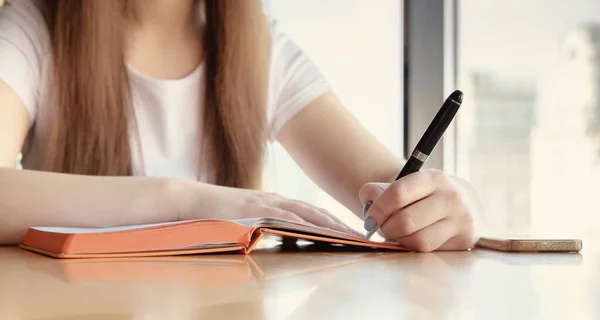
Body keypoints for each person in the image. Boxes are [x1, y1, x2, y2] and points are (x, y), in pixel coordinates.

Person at [0, 0, 481, 251]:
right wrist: (183, 201)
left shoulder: (261, 49)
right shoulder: (35, 27)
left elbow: (395, 192)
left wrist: (458, 204)